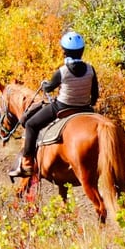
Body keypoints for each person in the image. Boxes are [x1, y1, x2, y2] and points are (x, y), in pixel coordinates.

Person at [9, 31, 100, 178]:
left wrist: (45, 86)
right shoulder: (91, 69)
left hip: (62, 107)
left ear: (65, 52)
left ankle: (27, 162)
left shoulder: (62, 71)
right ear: (82, 51)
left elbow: (49, 88)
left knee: (31, 124)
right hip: (85, 109)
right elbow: (95, 94)